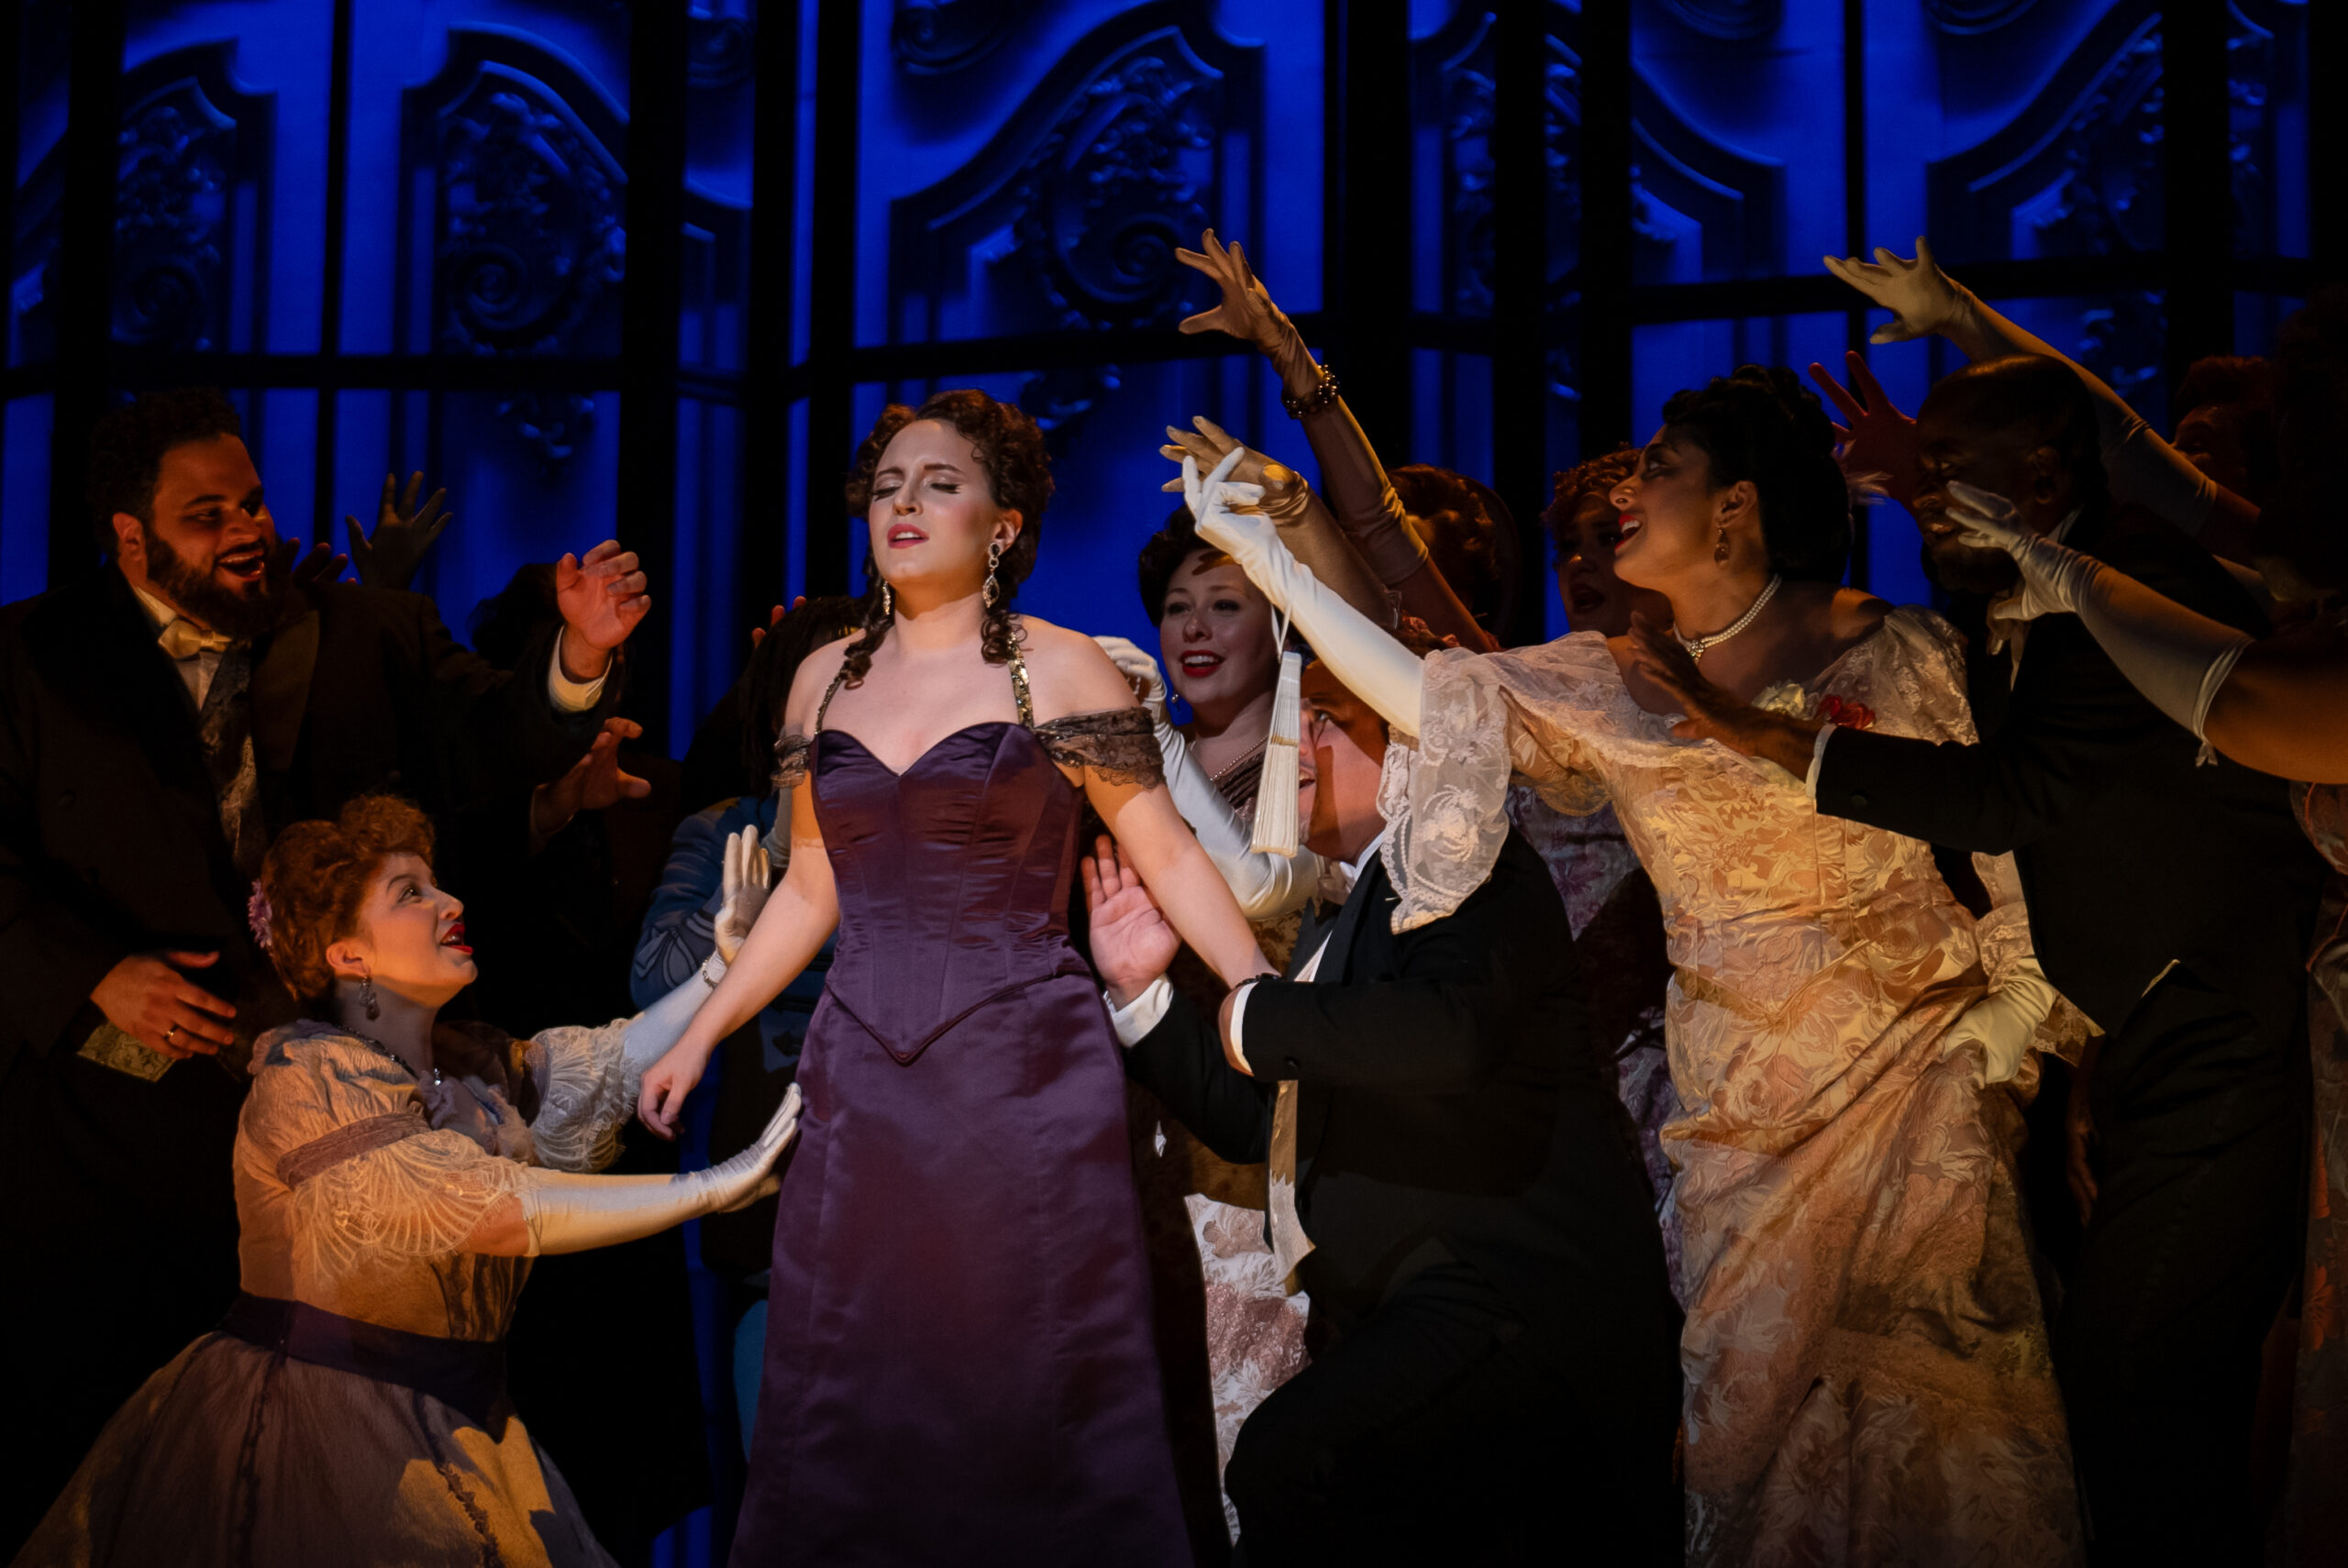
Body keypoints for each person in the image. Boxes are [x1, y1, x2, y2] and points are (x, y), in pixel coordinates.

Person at [1186, 359, 2088, 1564]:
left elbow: (2002, 822)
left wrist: (2019, 999)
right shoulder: (1617, 680)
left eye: (1660, 466)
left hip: (1912, 1079)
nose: (1631, 486)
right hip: (1737, 1122)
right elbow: (1438, 691)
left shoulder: (1901, 644)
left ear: (1737, 505)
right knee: (1755, 1440)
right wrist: (1272, 559)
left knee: (1933, 1425)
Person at [1632, 354, 2322, 1563]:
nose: (1924, 499)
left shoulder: (2124, 582)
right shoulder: (2016, 596)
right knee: (2140, 1397)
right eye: (1922, 480)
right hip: (2146, 1050)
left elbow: (2013, 795)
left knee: (2140, 1385)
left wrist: (1761, 733)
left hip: (2227, 1038)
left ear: (2047, 475)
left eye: (1948, 474)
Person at [637, 389, 1276, 1565]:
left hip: (1022, 1077)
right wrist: (696, 1035)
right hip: (862, 1082)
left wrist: (1258, 999)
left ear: (1005, 524)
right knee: (855, 1392)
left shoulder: (1064, 670)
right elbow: (810, 889)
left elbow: (1169, 854)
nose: (905, 506)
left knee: (1031, 1381)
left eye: (938, 484)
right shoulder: (821, 680)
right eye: (887, 487)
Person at [0, 389, 639, 1553]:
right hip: (121, 1154)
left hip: (340, 1149)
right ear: (130, 537)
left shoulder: (361, 632)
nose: (246, 530)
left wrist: (578, 656)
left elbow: (495, 733)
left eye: (251, 503)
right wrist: (92, 974)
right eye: (207, 516)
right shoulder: (31, 656)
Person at [13, 795, 799, 1566]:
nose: (449, 901)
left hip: (464, 1417)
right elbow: (493, 1208)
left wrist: (719, 972)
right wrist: (708, 1189)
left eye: (437, 884)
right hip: (318, 1436)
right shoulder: (307, 1077)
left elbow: (616, 1060)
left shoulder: (469, 1067)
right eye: (411, 894)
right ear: (348, 956)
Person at [1084, 639, 1681, 1563]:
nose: (1298, 741)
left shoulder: (1472, 873)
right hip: (1407, 1298)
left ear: (1411, 755)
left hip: (1507, 1293)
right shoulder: (1352, 909)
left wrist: (1257, 1009)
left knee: (1288, 1462)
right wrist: (1140, 996)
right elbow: (1261, 1124)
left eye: (1329, 719)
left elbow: (1445, 1034)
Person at [1512, 449, 1683, 1290]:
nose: (1582, 562)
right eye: (1566, 546)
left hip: (1664, 1052)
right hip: (1548, 1057)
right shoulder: (1536, 690)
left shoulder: (1702, 695)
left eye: (1606, 537)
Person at [1175, 230, 1494, 650]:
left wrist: (1288, 353)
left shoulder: (1493, 680)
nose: (1367, 589)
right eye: (1355, 566)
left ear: (1463, 601)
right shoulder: (1299, 680)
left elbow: (1378, 523)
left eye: (1401, 575)